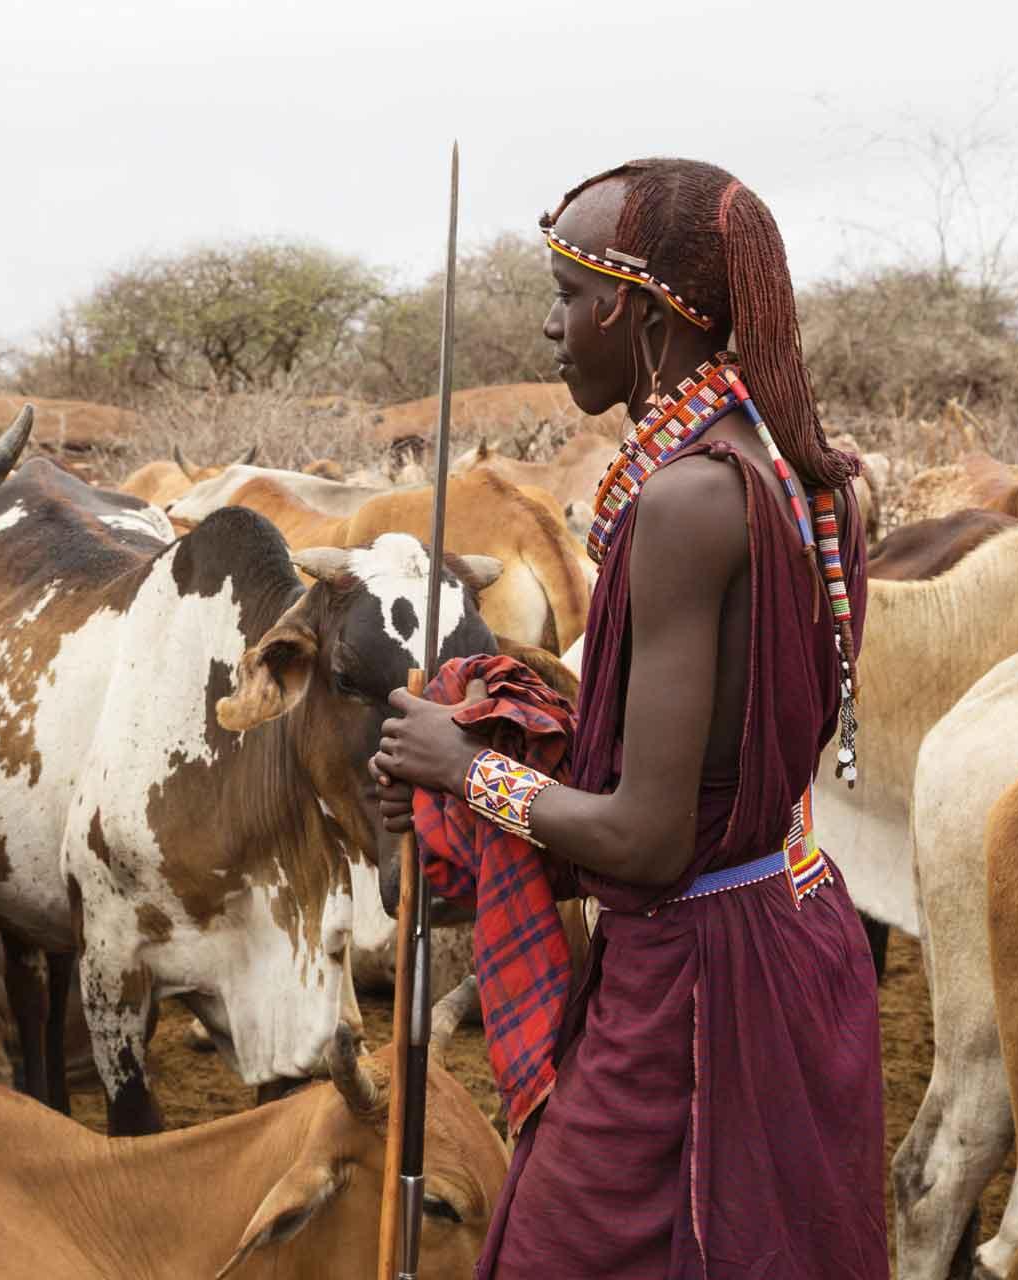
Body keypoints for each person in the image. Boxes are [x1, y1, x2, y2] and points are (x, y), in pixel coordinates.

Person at [370, 158, 888, 1278]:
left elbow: (651, 837)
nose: (550, 330)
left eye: (566, 298)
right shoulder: (810, 475)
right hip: (794, 921)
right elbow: (726, 763)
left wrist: (466, 769)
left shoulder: (689, 500)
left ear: (636, 312)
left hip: (697, 985)